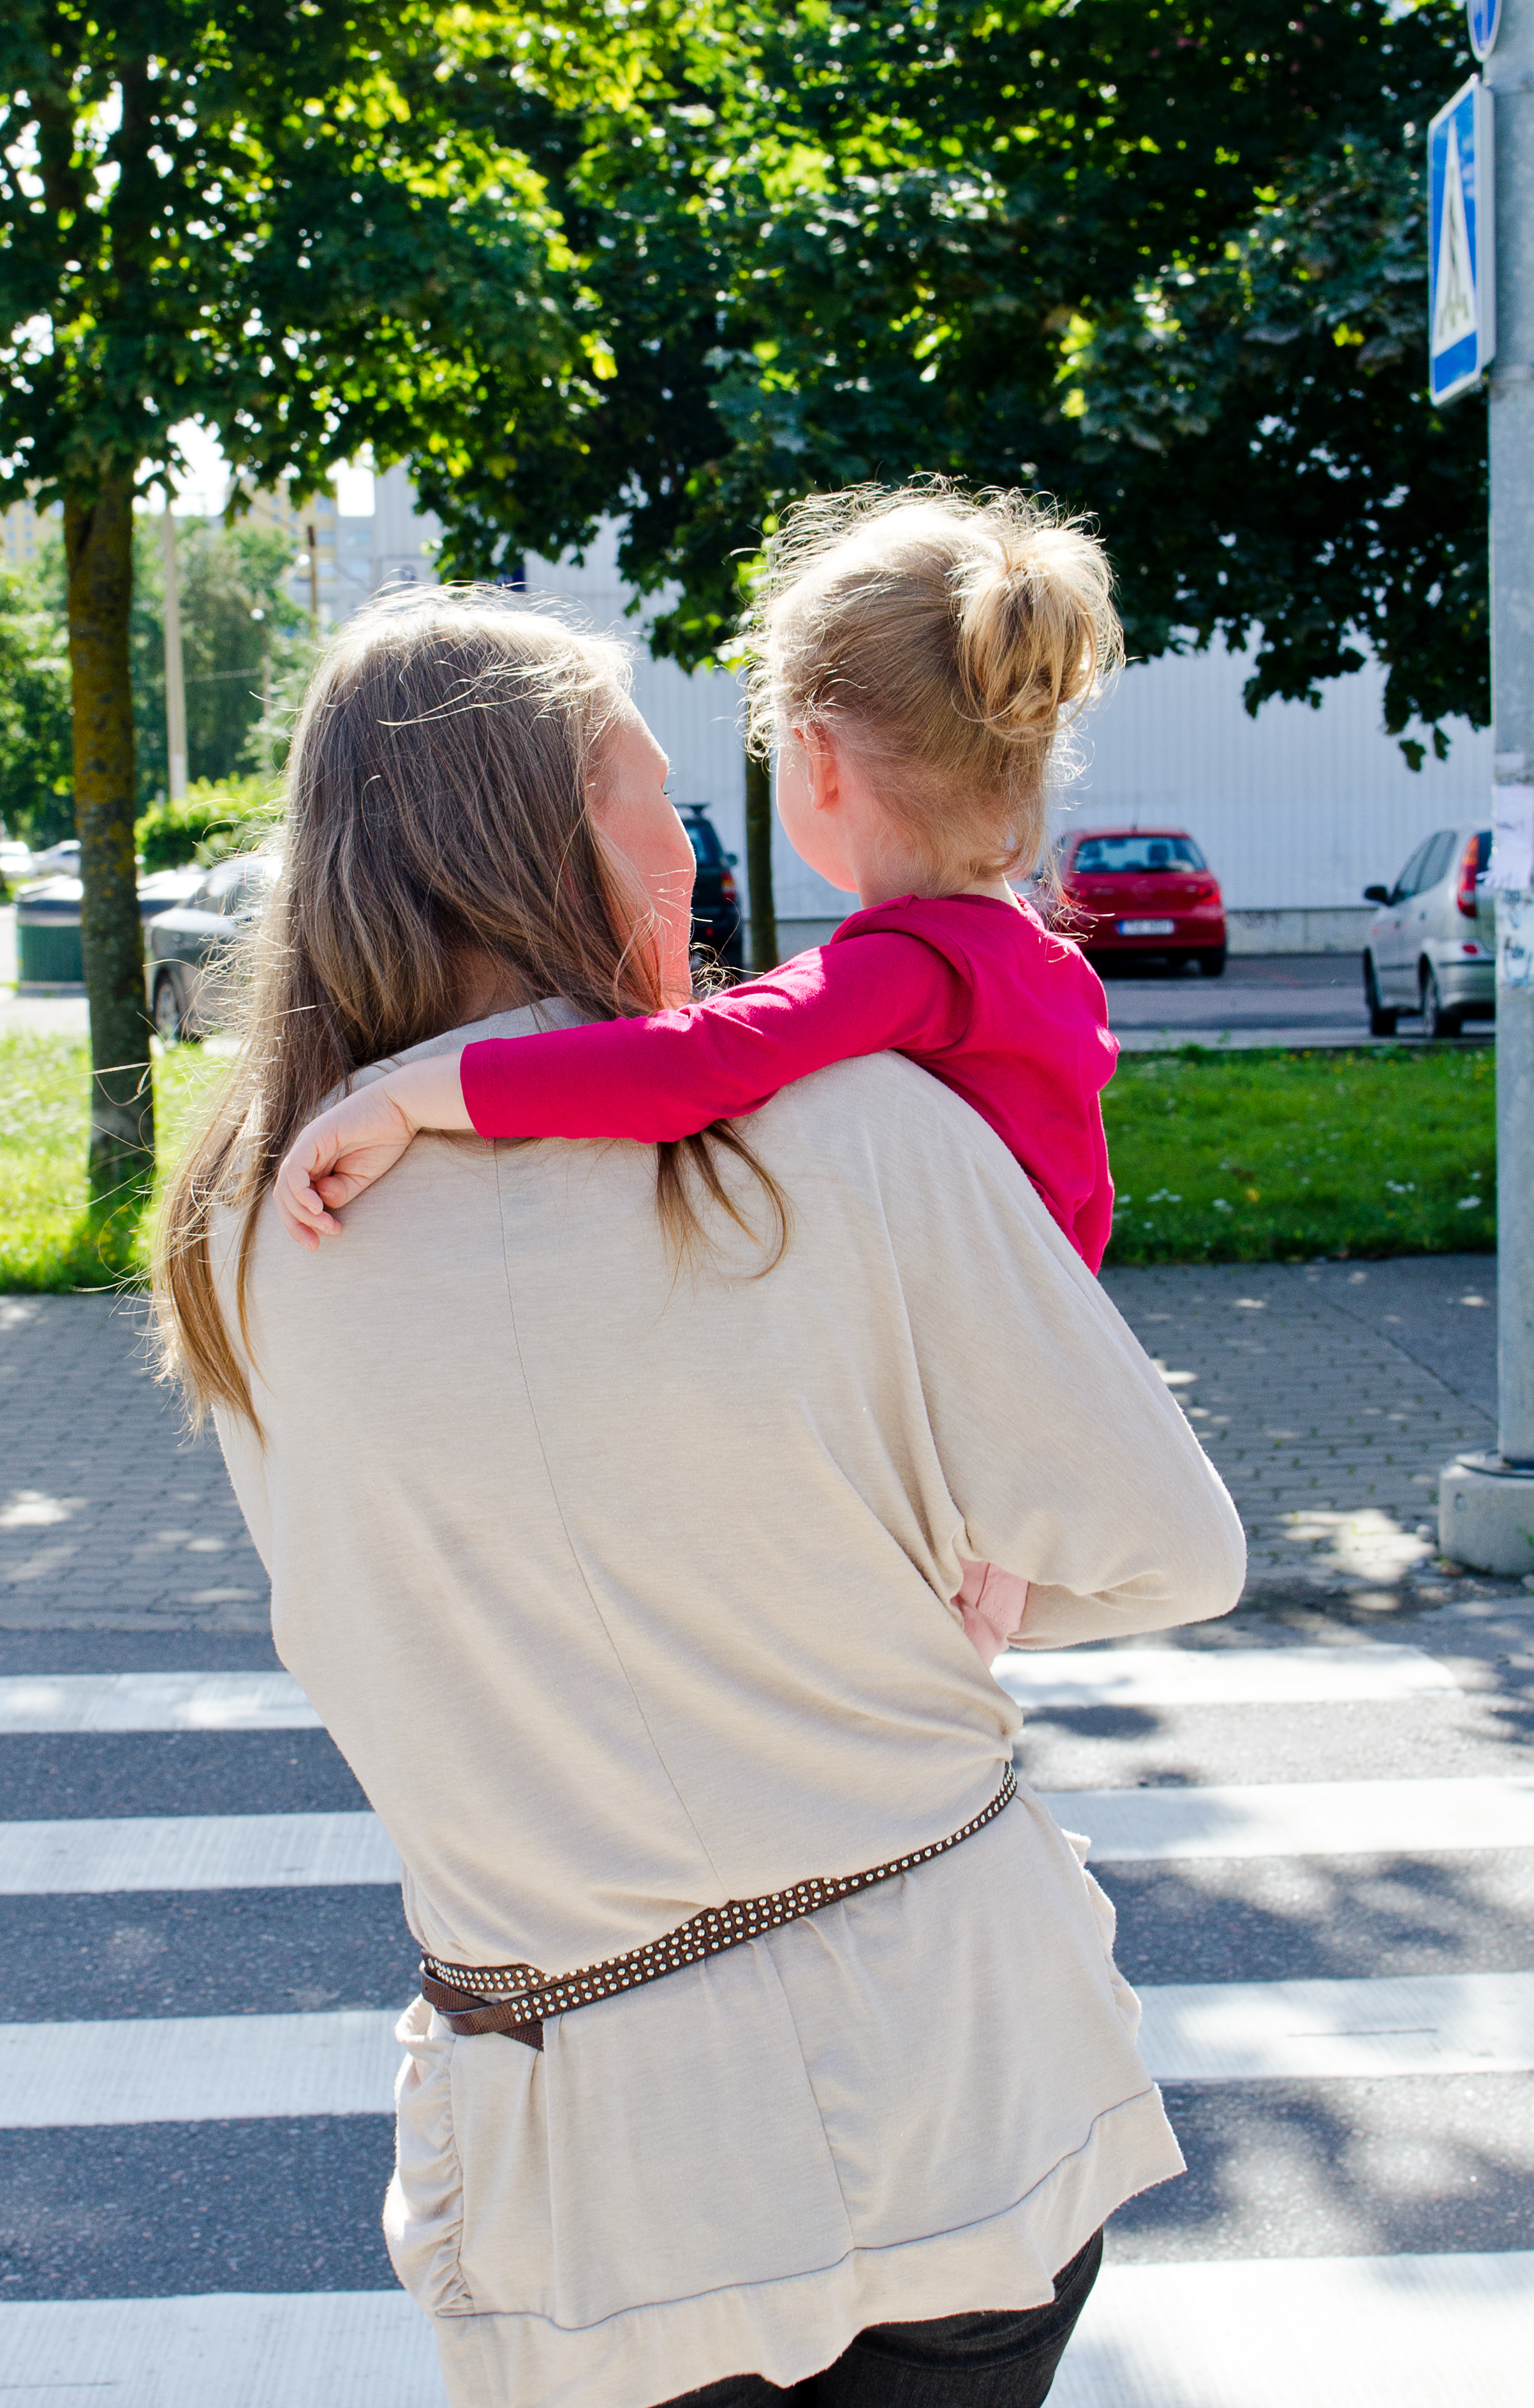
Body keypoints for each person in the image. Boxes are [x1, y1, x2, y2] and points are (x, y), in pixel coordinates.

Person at [154, 589, 1246, 2408]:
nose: (694, 859)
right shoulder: (859, 1130)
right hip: (952, 2080)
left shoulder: (249, 1227)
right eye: (657, 796)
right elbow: (1168, 1552)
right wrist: (965, 1582)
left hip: (576, 2155)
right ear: (554, 837)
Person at [271, 485, 1123, 1664]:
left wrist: (424, 1092)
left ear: (816, 762)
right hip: (1017, 1383)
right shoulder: (1048, 972)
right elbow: (1081, 1203)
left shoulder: (901, 970)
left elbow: (696, 1067)